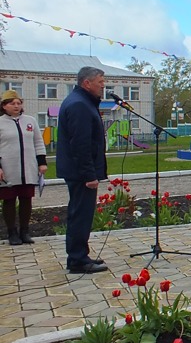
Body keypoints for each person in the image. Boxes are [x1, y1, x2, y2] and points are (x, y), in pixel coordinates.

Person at [57, 67, 109, 273]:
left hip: (78, 170)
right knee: (80, 214)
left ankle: (80, 254)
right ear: (87, 83)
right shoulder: (79, 105)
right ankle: (78, 260)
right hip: (80, 173)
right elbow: (80, 144)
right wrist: (89, 174)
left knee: (81, 213)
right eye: (100, 82)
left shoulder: (82, 102)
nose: (103, 86)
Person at [0, 91, 47, 245]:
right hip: (8, 168)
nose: (16, 106)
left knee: (26, 199)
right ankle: (12, 232)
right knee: (9, 200)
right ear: (4, 106)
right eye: (12, 103)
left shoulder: (30, 121)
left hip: (28, 167)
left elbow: (38, 142)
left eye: (18, 103)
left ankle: (25, 231)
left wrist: (42, 162)